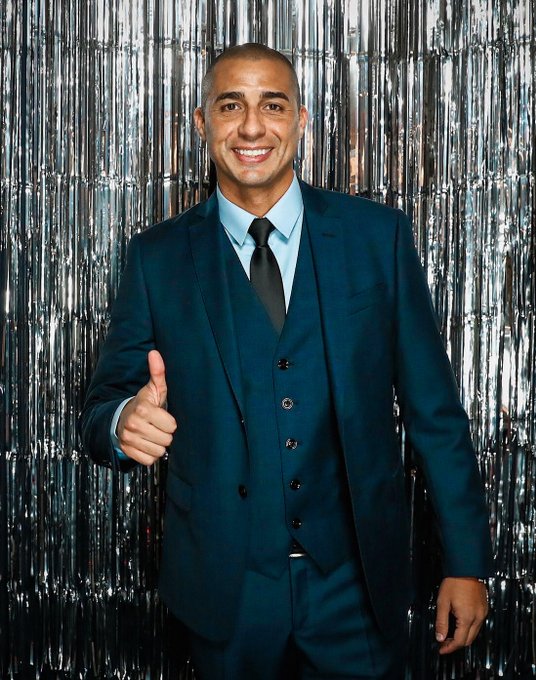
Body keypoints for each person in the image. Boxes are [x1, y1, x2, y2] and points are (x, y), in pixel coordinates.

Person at [79, 43, 493, 679]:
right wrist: (121, 422)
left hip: (356, 586)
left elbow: (435, 413)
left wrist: (466, 561)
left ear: (300, 120)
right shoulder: (156, 258)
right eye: (230, 107)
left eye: (272, 106)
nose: (252, 127)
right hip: (224, 590)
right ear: (202, 123)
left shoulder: (377, 237)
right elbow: (101, 408)